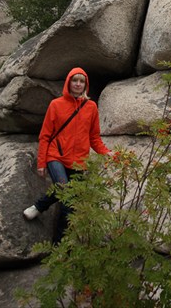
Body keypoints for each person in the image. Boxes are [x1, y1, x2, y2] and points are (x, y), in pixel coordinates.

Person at [23, 67, 111, 244]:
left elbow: (94, 137)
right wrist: (42, 163)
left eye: (81, 81)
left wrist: (107, 153)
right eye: (74, 80)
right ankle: (57, 243)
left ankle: (45, 218)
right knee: (66, 194)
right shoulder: (56, 105)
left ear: (85, 85)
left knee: (67, 204)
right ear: (68, 83)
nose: (78, 84)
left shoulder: (91, 107)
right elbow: (45, 135)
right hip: (56, 156)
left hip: (79, 162)